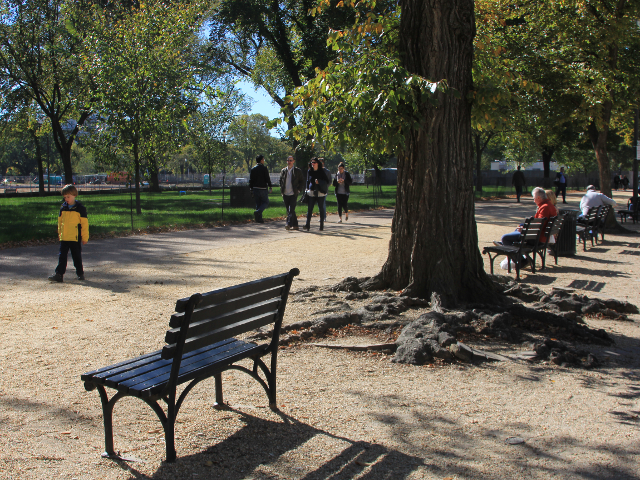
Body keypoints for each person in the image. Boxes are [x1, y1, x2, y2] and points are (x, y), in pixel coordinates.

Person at [48, 184, 89, 282]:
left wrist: (85, 237)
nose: (66, 199)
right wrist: (60, 234)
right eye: (65, 197)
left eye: (68, 197)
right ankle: (59, 274)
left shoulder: (80, 208)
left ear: (74, 195)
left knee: (76, 256)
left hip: (75, 238)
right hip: (64, 237)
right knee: (62, 257)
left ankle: (80, 273)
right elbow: (60, 223)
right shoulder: (63, 208)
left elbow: (84, 224)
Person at [303, 157, 329, 231]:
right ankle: (307, 225)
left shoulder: (321, 171)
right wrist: (307, 188)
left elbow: (326, 181)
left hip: (320, 192)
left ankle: (321, 226)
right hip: (312, 192)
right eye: (312, 163)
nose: (313, 164)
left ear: (317, 163)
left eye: (314, 162)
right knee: (310, 209)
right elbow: (308, 181)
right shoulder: (310, 171)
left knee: (321, 209)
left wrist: (319, 182)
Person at [279, 156, 305, 230]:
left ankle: (288, 224)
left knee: (291, 209)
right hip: (285, 193)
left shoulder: (297, 171)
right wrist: (282, 189)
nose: (289, 162)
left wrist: (299, 190)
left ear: (293, 161)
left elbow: (302, 181)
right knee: (289, 210)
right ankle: (296, 225)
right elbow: (280, 181)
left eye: (291, 160)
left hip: (293, 193)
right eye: (288, 160)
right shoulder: (283, 171)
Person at [249, 154, 272, 223]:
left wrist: (251, 188)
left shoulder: (253, 169)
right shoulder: (264, 169)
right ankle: (258, 212)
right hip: (263, 188)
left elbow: (251, 180)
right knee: (265, 202)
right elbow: (267, 178)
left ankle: (259, 219)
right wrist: (270, 186)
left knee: (258, 203)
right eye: (263, 159)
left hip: (255, 188)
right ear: (261, 160)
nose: (264, 161)